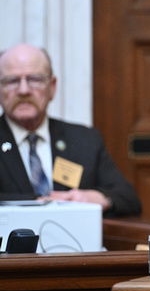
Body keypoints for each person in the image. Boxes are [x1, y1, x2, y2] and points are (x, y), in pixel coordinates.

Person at [0, 44, 141, 216]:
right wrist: (39, 205)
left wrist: (96, 198)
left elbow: (128, 198)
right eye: (12, 81)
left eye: (34, 79)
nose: (24, 90)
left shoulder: (84, 140)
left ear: (52, 87)